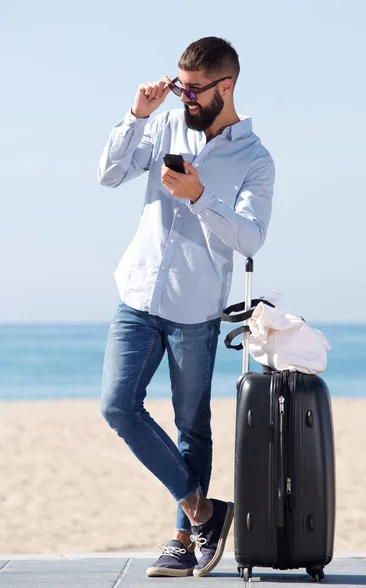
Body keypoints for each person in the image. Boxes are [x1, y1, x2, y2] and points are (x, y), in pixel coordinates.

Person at [98, 36, 275, 578]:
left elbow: (250, 239)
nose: (184, 99)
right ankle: (205, 511)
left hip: (195, 307)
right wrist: (136, 114)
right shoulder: (166, 123)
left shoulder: (256, 159)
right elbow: (110, 174)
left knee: (191, 426)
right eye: (179, 87)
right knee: (117, 406)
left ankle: (182, 538)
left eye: (193, 90)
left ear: (226, 86)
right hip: (137, 292)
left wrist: (200, 196)